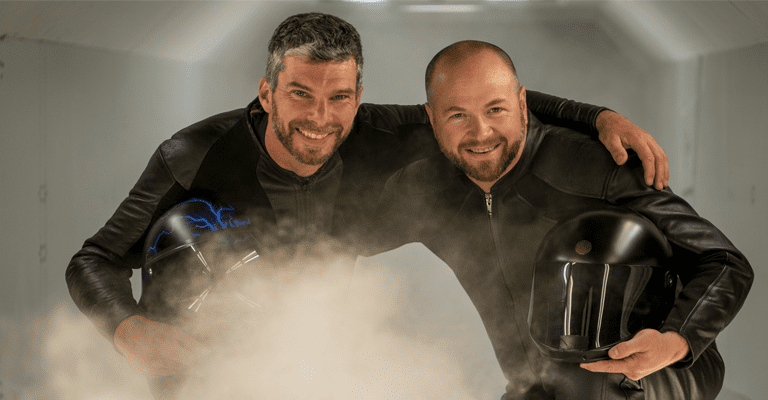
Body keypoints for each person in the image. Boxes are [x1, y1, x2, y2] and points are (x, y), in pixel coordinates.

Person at [65, 13, 669, 399]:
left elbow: (493, 102)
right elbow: (94, 260)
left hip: (307, 338)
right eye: (300, 94)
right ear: (266, 91)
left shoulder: (380, 130)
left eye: (339, 97)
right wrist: (130, 331)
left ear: (359, 98)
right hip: (201, 340)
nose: (320, 118)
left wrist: (597, 116)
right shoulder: (193, 153)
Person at [374, 40, 753, 399]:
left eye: (496, 109)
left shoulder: (598, 167)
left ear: (522, 104)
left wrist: (676, 341)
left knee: (587, 376)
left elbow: (724, 262)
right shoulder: (426, 190)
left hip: (649, 374)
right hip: (536, 384)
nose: (480, 132)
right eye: (458, 115)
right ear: (431, 117)